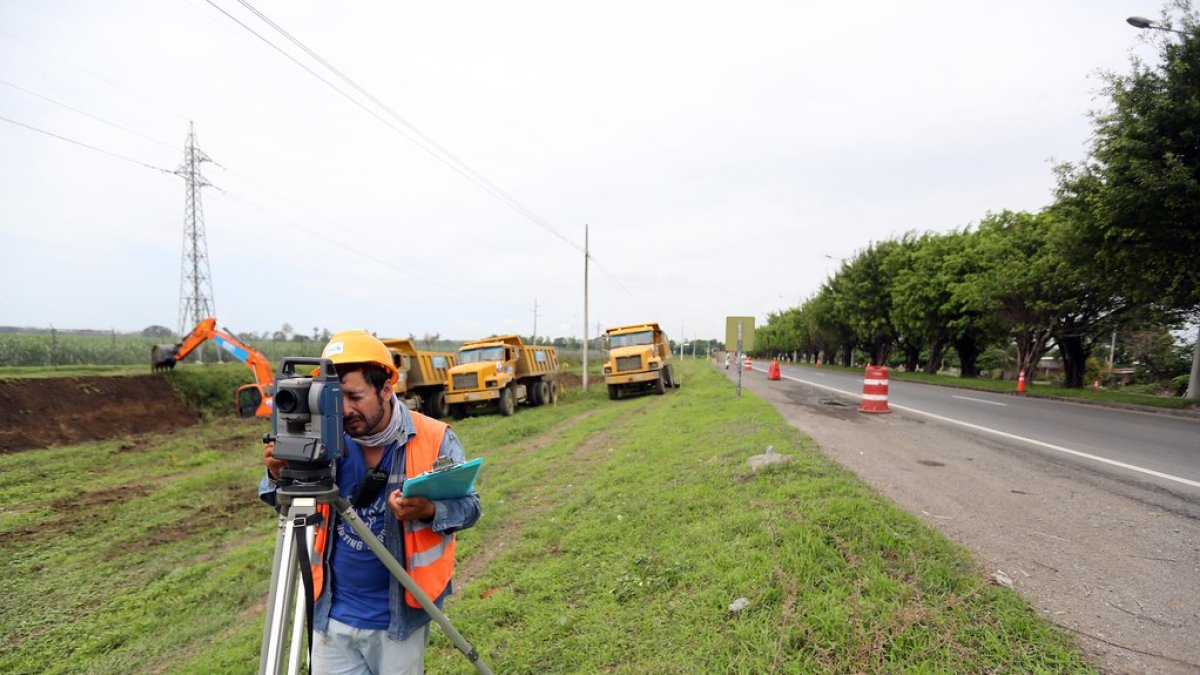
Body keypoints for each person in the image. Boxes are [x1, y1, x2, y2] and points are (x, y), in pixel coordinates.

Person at [259, 330, 481, 675]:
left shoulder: (435, 438)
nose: (344, 409)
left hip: (399, 617)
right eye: (334, 397)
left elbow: (471, 508)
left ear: (386, 389)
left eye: (354, 396)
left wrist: (428, 510)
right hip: (330, 614)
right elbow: (281, 502)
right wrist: (278, 476)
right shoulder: (320, 438)